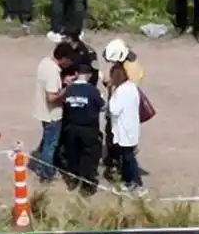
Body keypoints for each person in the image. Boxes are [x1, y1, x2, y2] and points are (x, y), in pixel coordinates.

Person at [101, 38, 146, 180]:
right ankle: (115, 161)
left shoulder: (128, 74)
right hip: (123, 109)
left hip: (121, 112)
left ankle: (117, 165)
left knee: (121, 147)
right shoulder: (126, 66)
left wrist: (110, 87)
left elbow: (115, 107)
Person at [59, 63, 104, 194]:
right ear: (89, 75)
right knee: (90, 156)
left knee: (73, 155)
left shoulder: (69, 90)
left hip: (72, 127)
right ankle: (87, 185)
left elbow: (65, 105)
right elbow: (102, 106)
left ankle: (73, 180)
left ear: (77, 74)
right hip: (89, 128)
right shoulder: (93, 90)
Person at [31, 43, 74, 183]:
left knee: (47, 141)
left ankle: (42, 167)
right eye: (69, 60)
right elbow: (52, 98)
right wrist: (67, 90)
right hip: (52, 115)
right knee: (51, 145)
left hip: (42, 112)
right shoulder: (53, 72)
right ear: (63, 58)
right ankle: (47, 174)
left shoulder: (45, 63)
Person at [107, 63, 145, 194]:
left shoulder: (121, 91)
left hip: (124, 129)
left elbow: (114, 110)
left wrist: (112, 94)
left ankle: (137, 183)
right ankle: (128, 182)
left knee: (128, 158)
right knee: (126, 156)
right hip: (131, 127)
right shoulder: (132, 87)